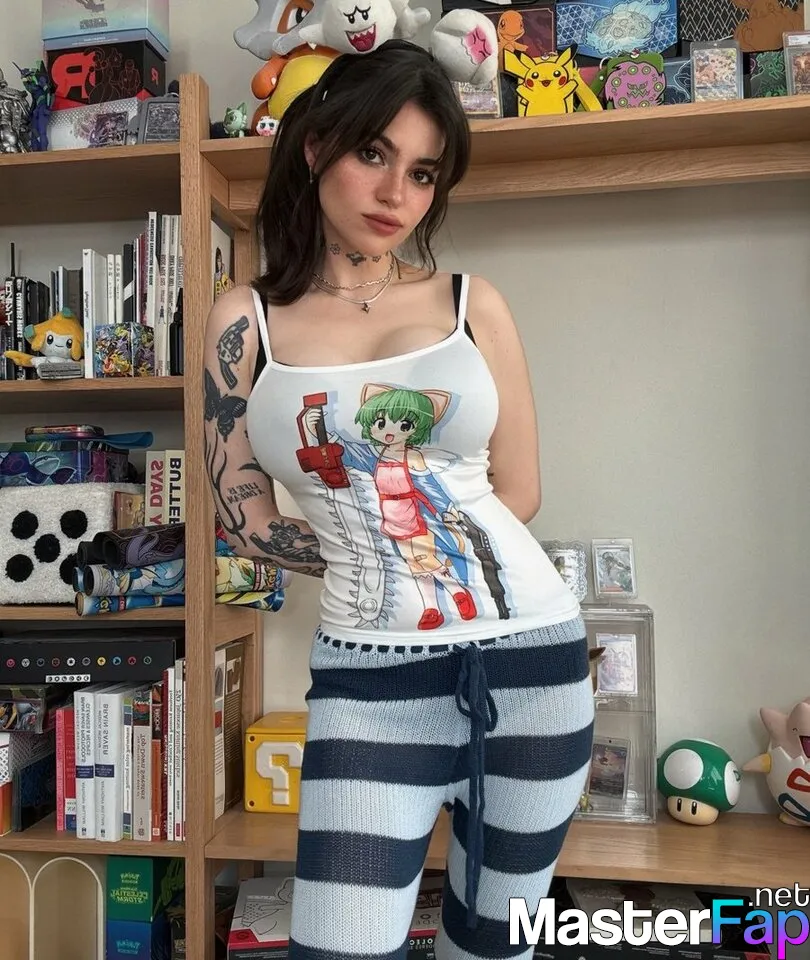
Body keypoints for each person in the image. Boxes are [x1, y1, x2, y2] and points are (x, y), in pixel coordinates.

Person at [202, 38, 594, 960]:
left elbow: (520, 490)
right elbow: (244, 520)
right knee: (336, 946)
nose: (395, 193)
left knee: (492, 945)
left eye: (422, 173)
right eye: (373, 153)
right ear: (316, 147)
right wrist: (363, 556)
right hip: (368, 684)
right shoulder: (243, 321)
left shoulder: (471, 303)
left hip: (534, 668)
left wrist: (421, 549)